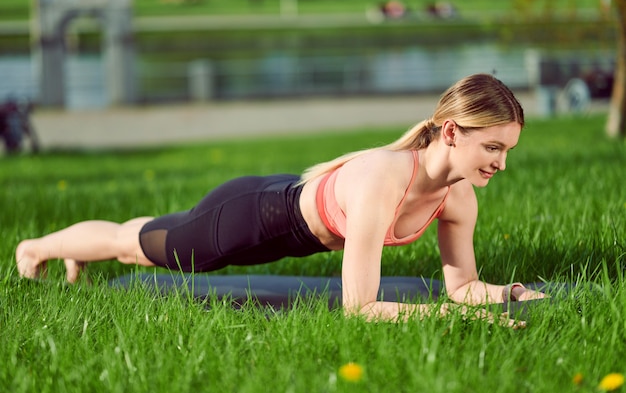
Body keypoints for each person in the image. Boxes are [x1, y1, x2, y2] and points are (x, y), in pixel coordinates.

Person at [15, 73, 545, 325]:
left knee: (151, 229)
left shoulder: (458, 201)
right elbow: (359, 308)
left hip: (284, 201)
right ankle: (35, 248)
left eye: (508, 150)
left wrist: (508, 295)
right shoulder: (387, 178)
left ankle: (75, 250)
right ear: (452, 132)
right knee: (136, 245)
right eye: (493, 147)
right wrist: (462, 321)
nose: (501, 163)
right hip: (253, 218)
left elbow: (464, 286)